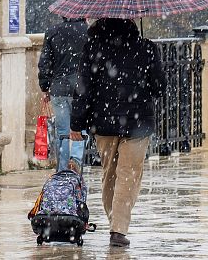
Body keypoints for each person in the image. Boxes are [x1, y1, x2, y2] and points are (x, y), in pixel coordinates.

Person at [70, 18, 166, 248]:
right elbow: (159, 87)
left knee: (110, 173)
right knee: (129, 174)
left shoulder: (92, 48)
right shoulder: (146, 48)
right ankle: (118, 228)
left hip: (104, 123)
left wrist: (76, 123)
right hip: (138, 122)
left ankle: (115, 221)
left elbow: (83, 88)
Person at [38, 16, 88, 172]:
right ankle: (76, 159)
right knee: (81, 126)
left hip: (58, 89)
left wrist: (45, 86)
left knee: (62, 131)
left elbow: (45, 62)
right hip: (80, 89)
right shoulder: (89, 32)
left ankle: (62, 168)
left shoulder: (52, 32)